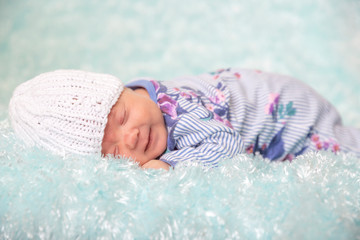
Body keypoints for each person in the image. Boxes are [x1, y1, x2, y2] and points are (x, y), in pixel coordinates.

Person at [9, 68, 360, 170]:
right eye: (113, 152)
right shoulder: (139, 109)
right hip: (278, 104)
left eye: (121, 117)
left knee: (337, 156)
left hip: (289, 114)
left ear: (125, 89)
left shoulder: (176, 107)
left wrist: (170, 166)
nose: (129, 138)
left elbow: (226, 144)